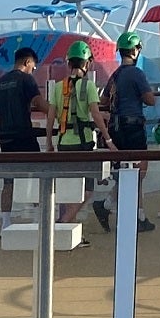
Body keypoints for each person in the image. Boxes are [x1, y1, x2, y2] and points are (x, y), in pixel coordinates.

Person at [96, 31, 158, 234]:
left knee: (126, 172)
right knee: (139, 171)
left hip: (116, 127)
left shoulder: (115, 75)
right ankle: (128, 212)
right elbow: (150, 99)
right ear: (135, 50)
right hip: (133, 127)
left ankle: (126, 211)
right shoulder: (137, 74)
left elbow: (104, 101)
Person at [0, 45, 46, 224]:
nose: (33, 70)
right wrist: (57, 113)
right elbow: (39, 103)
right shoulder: (26, 80)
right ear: (27, 62)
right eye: (33, 66)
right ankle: (38, 218)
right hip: (24, 136)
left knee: (8, 181)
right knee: (37, 175)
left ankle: (5, 223)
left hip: (5, 139)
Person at [46, 40, 103, 230]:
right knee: (87, 189)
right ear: (88, 63)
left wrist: (49, 143)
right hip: (83, 143)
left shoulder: (57, 87)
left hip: (63, 142)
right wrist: (108, 139)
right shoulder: (88, 86)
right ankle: (63, 223)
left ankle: (64, 224)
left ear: (69, 63)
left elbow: (51, 117)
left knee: (67, 187)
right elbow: (94, 113)